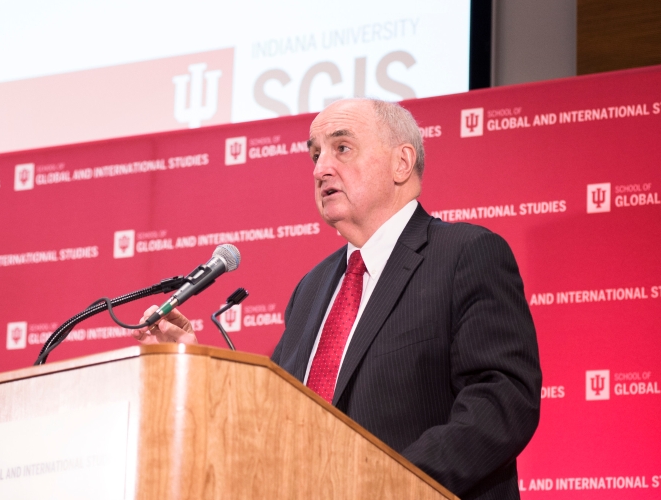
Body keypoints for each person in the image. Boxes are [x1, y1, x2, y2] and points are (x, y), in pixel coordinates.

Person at [134, 98, 541, 500]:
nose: (320, 168)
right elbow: (274, 419)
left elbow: (502, 400)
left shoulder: (465, 254)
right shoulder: (311, 289)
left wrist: (386, 484)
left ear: (402, 163)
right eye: (315, 154)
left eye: (341, 148)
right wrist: (192, 368)